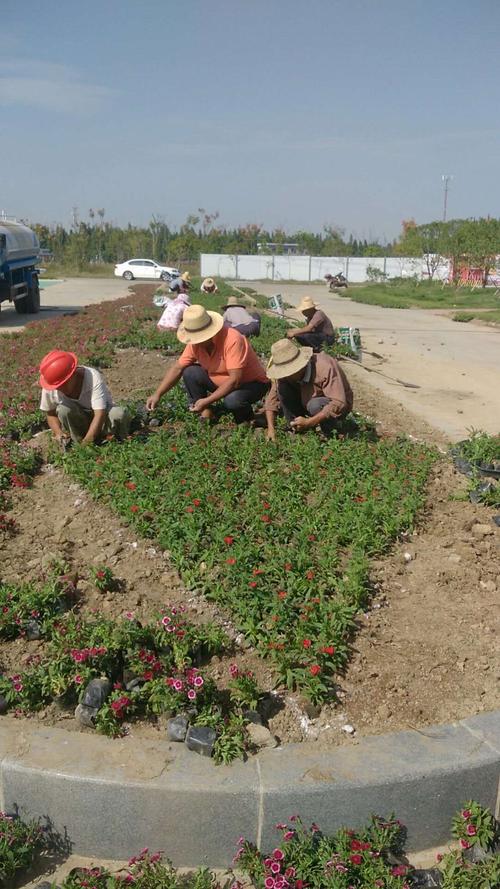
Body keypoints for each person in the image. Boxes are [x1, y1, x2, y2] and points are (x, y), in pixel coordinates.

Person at [146, 304, 269, 424]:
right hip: (222, 383)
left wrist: (208, 400)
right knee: (190, 372)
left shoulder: (232, 339)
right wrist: (157, 394)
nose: (196, 341)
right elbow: (178, 368)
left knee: (232, 400)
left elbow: (235, 380)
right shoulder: (194, 344)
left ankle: (248, 418)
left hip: (250, 384)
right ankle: (206, 412)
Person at [264, 338, 353, 441]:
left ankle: (331, 432)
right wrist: (271, 429)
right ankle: (296, 426)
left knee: (314, 405)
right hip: (305, 401)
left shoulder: (324, 366)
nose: (287, 375)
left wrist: (309, 422)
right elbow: (271, 400)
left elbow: (339, 403)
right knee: (283, 388)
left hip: (334, 407)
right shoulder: (285, 377)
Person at [38, 350, 130, 446]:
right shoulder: (51, 385)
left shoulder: (93, 377)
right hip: (80, 422)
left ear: (73, 374)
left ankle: (115, 442)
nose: (61, 389)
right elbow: (50, 413)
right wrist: (58, 432)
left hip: (103, 420)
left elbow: (99, 414)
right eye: (59, 386)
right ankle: (78, 442)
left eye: (64, 384)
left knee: (118, 414)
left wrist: (86, 444)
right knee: (63, 410)